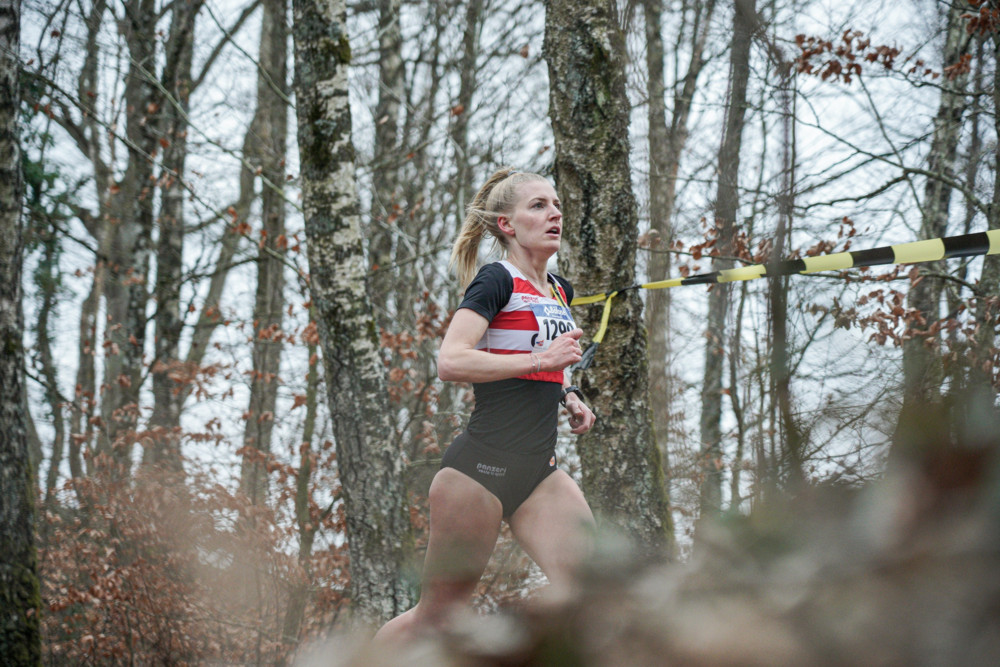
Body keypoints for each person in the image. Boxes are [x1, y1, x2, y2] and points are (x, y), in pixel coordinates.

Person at [375, 167, 597, 641]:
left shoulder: (560, 289)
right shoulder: (496, 280)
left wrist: (569, 394)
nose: (554, 213)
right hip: (478, 471)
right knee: (437, 620)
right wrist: (540, 358)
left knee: (595, 593)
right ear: (507, 225)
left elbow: (543, 361)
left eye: (556, 204)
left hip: (539, 472)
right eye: (537, 205)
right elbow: (451, 361)